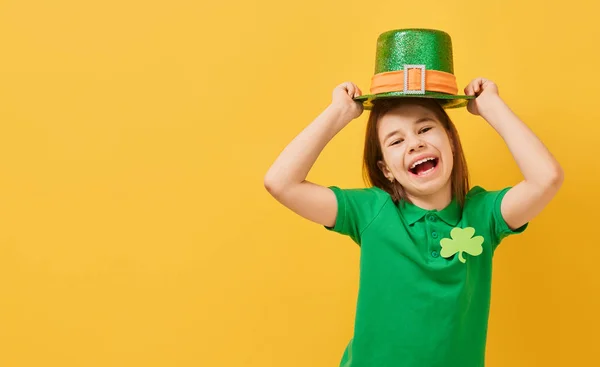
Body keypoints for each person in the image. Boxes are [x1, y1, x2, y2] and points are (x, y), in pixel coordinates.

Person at [264, 29, 563, 367]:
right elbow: (280, 183)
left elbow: (546, 179)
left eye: (424, 129)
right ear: (386, 169)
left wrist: (493, 108)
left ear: (451, 140)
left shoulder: (483, 215)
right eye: (395, 141)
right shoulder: (371, 213)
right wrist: (337, 115)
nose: (414, 144)